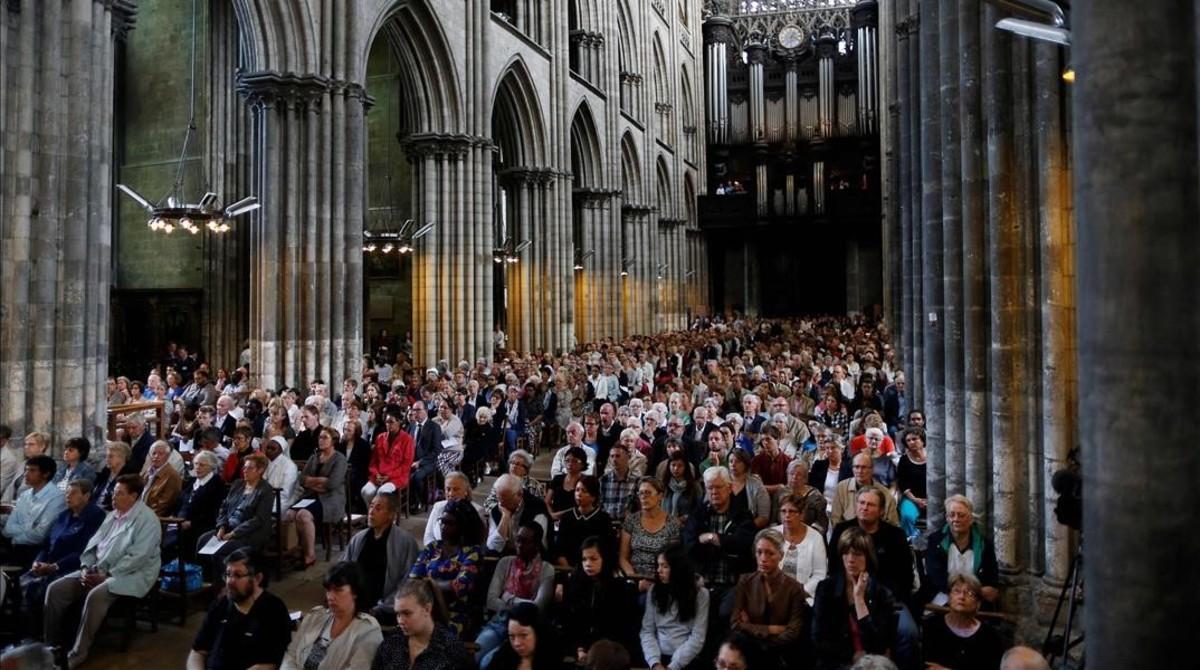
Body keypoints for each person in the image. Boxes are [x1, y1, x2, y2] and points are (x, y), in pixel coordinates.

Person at [43, 474, 162, 669]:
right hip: (98, 568)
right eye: (113, 493)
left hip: (131, 574)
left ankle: (78, 653)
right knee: (55, 589)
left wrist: (106, 575)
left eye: (119, 494)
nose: (113, 498)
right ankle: (51, 645)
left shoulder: (148, 520)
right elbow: (92, 547)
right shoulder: (112, 515)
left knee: (95, 596)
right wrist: (84, 568)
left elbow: (137, 557)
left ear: (134, 496)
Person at [829, 487, 917, 669]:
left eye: (870, 504)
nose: (864, 508)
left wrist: (881, 598)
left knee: (908, 632)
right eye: (861, 503)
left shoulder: (896, 536)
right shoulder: (842, 530)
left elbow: (905, 577)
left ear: (882, 511)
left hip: (889, 598)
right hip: (847, 597)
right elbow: (834, 569)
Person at [20, 478, 105, 636]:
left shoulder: (95, 517)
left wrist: (53, 567)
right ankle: (23, 633)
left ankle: (41, 636)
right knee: (19, 585)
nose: (68, 496)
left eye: (73, 493)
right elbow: (46, 544)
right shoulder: (63, 515)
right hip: (47, 565)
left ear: (86, 496)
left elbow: (83, 552)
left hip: (70, 568)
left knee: (37, 589)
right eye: (66, 493)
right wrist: (37, 561)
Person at [188, 549, 293, 670]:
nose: (230, 582)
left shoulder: (274, 610)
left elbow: (270, 664)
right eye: (228, 574)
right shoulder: (220, 604)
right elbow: (197, 652)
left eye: (238, 575)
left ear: (257, 578)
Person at [811, 527, 898, 670]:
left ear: (867, 557)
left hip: (872, 665)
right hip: (835, 662)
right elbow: (818, 638)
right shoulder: (826, 589)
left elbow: (879, 646)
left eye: (857, 554)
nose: (851, 559)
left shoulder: (882, 594)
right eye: (846, 553)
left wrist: (859, 600)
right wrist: (850, 656)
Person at [475, 524, 556, 667]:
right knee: (479, 657)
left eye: (524, 541)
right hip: (500, 622)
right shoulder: (505, 563)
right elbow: (491, 600)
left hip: (528, 627)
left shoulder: (546, 569)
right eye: (517, 540)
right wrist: (522, 602)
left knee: (492, 661)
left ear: (537, 544)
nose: (518, 545)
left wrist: (507, 597)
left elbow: (537, 608)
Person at [684, 467, 756, 621]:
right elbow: (689, 546)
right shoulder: (698, 514)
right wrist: (725, 542)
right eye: (710, 488)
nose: (714, 492)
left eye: (718, 487)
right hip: (702, 581)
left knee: (725, 614)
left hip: (733, 583)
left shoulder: (742, 514)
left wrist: (711, 537)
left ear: (729, 488)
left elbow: (742, 543)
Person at [281, 562, 383, 670]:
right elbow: (290, 655)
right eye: (328, 590)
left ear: (355, 592)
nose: (330, 596)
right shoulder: (315, 616)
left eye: (338, 590)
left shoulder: (368, 631)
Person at [409, 500, 485, 636]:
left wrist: (427, 584)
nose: (444, 527)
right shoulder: (433, 547)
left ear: (463, 526)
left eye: (450, 523)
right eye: (442, 522)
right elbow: (413, 580)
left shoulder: (472, 552)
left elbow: (459, 587)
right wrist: (440, 585)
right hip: (424, 610)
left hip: (454, 614)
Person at [342, 493, 420, 624]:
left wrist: (382, 608)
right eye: (371, 506)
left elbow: (408, 582)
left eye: (378, 508)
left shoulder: (405, 542)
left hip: (385, 606)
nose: (371, 512)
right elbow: (342, 569)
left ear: (391, 515)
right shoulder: (359, 538)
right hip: (355, 601)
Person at [730, 528, 808, 661]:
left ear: (781, 556)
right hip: (749, 652)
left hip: (781, 655)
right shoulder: (745, 581)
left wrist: (751, 628)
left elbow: (793, 632)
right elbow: (735, 624)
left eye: (769, 553)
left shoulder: (794, 588)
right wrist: (773, 629)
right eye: (759, 552)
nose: (763, 559)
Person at [562, 537, 637, 666]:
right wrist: (580, 649)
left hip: (607, 648)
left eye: (593, 559)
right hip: (579, 646)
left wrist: (595, 652)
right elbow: (572, 619)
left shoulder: (618, 585)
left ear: (605, 559)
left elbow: (619, 626)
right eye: (584, 559)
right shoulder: (575, 582)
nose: (588, 564)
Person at [371, 578, 473, 670]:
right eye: (398, 614)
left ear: (427, 609)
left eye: (407, 613)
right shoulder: (392, 642)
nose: (400, 621)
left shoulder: (451, 650)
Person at [197, 453, 274, 574]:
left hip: (249, 534)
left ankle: (222, 585)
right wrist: (221, 527)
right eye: (244, 467)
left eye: (249, 468)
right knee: (203, 540)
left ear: (260, 470)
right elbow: (224, 507)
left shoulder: (265, 490)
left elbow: (258, 519)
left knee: (220, 550)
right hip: (228, 527)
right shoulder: (238, 484)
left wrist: (234, 533)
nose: (245, 470)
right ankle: (205, 579)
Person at [640, 546, 709, 670]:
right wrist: (655, 663)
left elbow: (697, 637)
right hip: (657, 657)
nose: (658, 570)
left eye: (664, 566)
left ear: (678, 568)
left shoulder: (701, 594)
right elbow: (647, 631)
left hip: (686, 658)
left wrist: (673, 667)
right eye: (658, 565)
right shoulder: (654, 591)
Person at [924, 494, 1000, 605]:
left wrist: (972, 592)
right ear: (947, 518)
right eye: (952, 515)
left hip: (974, 597)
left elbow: (991, 577)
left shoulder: (984, 544)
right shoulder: (935, 540)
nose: (956, 519)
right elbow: (935, 574)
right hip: (943, 593)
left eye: (961, 515)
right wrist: (957, 592)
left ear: (970, 519)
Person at [291, 426, 349, 567]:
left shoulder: (339, 459)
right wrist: (318, 481)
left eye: (325, 438)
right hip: (312, 495)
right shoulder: (315, 457)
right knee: (290, 513)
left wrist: (313, 481)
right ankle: (298, 549)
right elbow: (302, 479)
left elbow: (332, 484)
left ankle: (310, 555)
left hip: (331, 500)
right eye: (320, 437)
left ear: (333, 441)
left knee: (303, 515)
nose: (321, 440)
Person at [922, 573, 1004, 670]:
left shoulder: (990, 637)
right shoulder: (932, 627)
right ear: (949, 598)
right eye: (957, 591)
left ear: (978, 604)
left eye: (969, 593)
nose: (962, 596)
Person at [1, 455, 66, 568]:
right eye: (26, 470)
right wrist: (30, 526)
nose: (26, 474)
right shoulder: (25, 495)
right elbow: (8, 529)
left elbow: (40, 534)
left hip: (36, 551)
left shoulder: (57, 497)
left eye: (32, 470)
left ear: (46, 474)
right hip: (16, 546)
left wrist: (16, 537)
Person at [620, 477, 682, 587]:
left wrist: (655, 581)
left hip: (661, 579)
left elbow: (673, 559)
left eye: (648, 493)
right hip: (634, 579)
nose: (643, 497)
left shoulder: (672, 523)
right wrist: (633, 579)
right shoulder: (631, 521)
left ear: (660, 496)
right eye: (641, 493)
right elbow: (623, 557)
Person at [172, 450, 227, 562]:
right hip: (179, 522)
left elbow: (214, 512)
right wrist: (174, 517)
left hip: (202, 525)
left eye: (202, 465)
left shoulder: (217, 485)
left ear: (211, 467)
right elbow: (179, 503)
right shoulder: (191, 482)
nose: (197, 467)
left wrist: (192, 523)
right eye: (196, 464)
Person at [774, 494, 827, 606]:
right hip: (773, 594)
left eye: (792, 511)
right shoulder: (772, 534)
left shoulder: (816, 537)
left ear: (802, 514)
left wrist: (802, 592)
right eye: (783, 511)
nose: (787, 516)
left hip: (804, 598)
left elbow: (820, 574)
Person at [362, 405, 415, 508]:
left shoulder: (407, 439)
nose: (388, 425)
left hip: (397, 477)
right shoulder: (380, 438)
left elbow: (406, 465)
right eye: (387, 422)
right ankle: (375, 513)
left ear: (399, 422)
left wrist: (389, 476)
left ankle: (386, 517)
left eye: (391, 422)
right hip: (378, 476)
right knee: (365, 491)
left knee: (382, 492)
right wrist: (376, 474)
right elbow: (373, 461)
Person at [554, 475, 612, 567]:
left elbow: (607, 549)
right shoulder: (567, 517)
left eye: (584, 491)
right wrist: (567, 569)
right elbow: (559, 549)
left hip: (593, 566)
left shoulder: (603, 519)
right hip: (568, 567)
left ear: (593, 497)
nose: (579, 494)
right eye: (577, 490)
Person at [487, 474, 551, 555]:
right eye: (499, 499)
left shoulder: (537, 507)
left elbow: (535, 544)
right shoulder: (497, 510)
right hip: (505, 559)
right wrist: (505, 518)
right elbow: (492, 547)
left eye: (506, 500)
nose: (502, 504)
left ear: (520, 494)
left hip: (533, 559)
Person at [486, 601, 559, 670]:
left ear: (538, 632)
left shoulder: (552, 659)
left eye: (524, 635)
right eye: (512, 636)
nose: (516, 643)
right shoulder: (503, 656)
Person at [831, 452, 898, 526]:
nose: (860, 471)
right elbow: (835, 519)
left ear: (872, 470)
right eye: (856, 467)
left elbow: (893, 524)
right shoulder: (841, 488)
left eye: (864, 467)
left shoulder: (885, 494)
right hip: (847, 534)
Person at [423, 472, 488, 546]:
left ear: (466, 491)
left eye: (456, 489)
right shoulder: (438, 507)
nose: (451, 494)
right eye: (448, 489)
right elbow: (428, 536)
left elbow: (479, 541)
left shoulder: (477, 511)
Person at [779, 459, 830, 534]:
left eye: (799, 474)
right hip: (783, 534)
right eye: (791, 473)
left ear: (805, 478)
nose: (794, 477)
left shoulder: (816, 497)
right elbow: (773, 520)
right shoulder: (780, 493)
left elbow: (822, 524)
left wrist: (808, 535)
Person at [895, 427, 927, 541]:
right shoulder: (904, 460)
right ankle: (913, 542)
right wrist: (915, 500)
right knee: (908, 516)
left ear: (922, 440)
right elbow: (902, 483)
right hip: (911, 498)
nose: (911, 442)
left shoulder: (934, 456)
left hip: (934, 497)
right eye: (908, 440)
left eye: (914, 439)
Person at [727, 448, 771, 529]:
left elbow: (764, 517)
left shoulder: (756, 484)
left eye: (738, 461)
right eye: (730, 461)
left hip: (748, 529)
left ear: (745, 464)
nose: (733, 464)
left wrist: (747, 528)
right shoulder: (722, 481)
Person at [545, 446, 587, 522]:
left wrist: (558, 516)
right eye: (567, 460)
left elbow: (582, 506)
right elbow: (547, 501)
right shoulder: (558, 479)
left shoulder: (586, 481)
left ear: (583, 464)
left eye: (574, 461)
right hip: (554, 519)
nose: (570, 464)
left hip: (577, 520)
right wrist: (551, 514)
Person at [92, 441, 137, 511]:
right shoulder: (105, 472)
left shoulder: (129, 477)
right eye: (106, 456)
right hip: (95, 509)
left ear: (122, 458)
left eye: (110, 456)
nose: (107, 459)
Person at [141, 440, 183, 516]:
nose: (156, 456)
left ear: (167, 456)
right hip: (140, 513)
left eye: (160, 454)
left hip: (155, 519)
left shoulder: (172, 476)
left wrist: (144, 517)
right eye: (154, 453)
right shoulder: (148, 471)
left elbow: (164, 506)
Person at [599, 443, 639, 522]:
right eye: (612, 456)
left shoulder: (636, 481)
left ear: (627, 457)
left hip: (628, 524)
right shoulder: (603, 480)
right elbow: (599, 504)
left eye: (618, 456)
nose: (614, 459)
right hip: (606, 523)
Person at [661, 450, 702, 523]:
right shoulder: (664, 484)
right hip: (664, 524)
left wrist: (683, 518)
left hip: (686, 525)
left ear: (685, 467)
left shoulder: (694, 486)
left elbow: (699, 510)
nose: (676, 469)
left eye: (680, 466)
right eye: (673, 465)